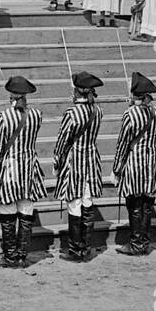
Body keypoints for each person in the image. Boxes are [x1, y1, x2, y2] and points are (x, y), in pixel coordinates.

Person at [0, 75, 47, 269]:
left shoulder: (3, 117)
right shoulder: (36, 115)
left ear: (11, 95)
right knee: (26, 211)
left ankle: (11, 255)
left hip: (10, 168)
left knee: (7, 212)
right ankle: (22, 255)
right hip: (29, 167)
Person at [110, 71, 156, 256]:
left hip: (135, 161)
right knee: (147, 205)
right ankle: (144, 242)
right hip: (152, 161)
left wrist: (117, 168)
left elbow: (123, 143)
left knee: (134, 204)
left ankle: (136, 243)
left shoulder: (130, 114)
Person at [53, 71, 105, 262]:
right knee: (87, 202)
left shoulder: (71, 113)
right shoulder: (98, 111)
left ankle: (76, 249)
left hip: (75, 161)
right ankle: (86, 247)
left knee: (74, 204)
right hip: (91, 160)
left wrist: (57, 161)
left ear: (77, 91)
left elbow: (62, 141)